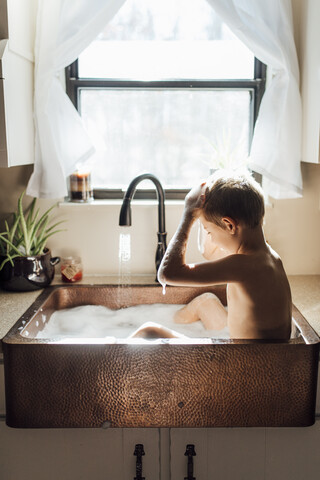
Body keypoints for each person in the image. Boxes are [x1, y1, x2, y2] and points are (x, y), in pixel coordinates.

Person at [157, 170, 292, 340]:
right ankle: (168, 326)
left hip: (247, 363)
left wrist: (188, 215)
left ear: (229, 225)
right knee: (206, 301)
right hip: (255, 351)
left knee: (149, 331)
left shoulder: (244, 267)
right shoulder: (266, 256)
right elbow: (208, 253)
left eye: (209, 232)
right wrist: (204, 212)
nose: (211, 239)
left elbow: (168, 274)